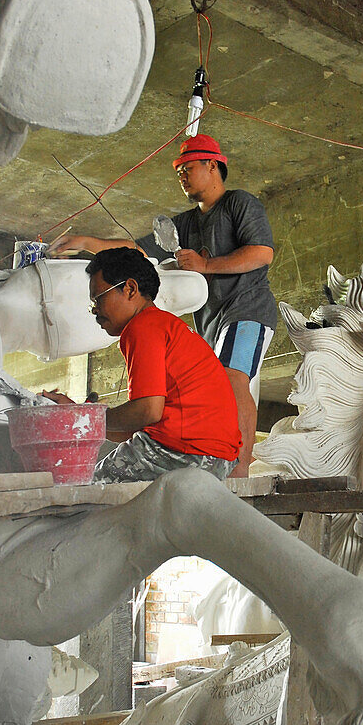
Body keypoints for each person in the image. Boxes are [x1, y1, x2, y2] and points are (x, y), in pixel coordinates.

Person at [51, 135, 276, 477]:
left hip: (248, 309)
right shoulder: (185, 224)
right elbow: (137, 250)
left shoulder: (238, 204)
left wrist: (205, 266)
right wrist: (87, 242)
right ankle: (230, 462)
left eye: (187, 168)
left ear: (213, 165)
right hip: (211, 317)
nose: (182, 176)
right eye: (178, 171)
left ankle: (240, 469)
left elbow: (262, 253)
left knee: (233, 377)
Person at [40, 248, 241, 482]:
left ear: (130, 289)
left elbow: (148, 410)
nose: (95, 310)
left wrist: (84, 418)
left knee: (82, 488)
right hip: (216, 458)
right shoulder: (166, 325)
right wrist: (78, 414)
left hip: (184, 452)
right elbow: (139, 424)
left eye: (98, 298)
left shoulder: (142, 327)